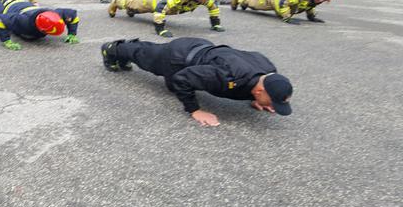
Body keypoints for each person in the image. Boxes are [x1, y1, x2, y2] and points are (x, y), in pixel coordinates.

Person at [100, 37, 293, 126]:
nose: (274, 107)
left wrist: (261, 100)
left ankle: (125, 53)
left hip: (203, 51)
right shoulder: (226, 77)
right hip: (178, 57)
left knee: (169, 80)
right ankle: (112, 48)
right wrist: (195, 110)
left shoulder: (268, 71)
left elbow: (255, 74)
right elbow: (181, 78)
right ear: (260, 90)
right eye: (273, 101)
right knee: (144, 55)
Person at [0, 0, 80, 50]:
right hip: (10, 6)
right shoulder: (22, 20)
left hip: (28, 6)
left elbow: (72, 15)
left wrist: (72, 34)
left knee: (29, 36)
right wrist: (6, 41)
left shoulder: (55, 14)